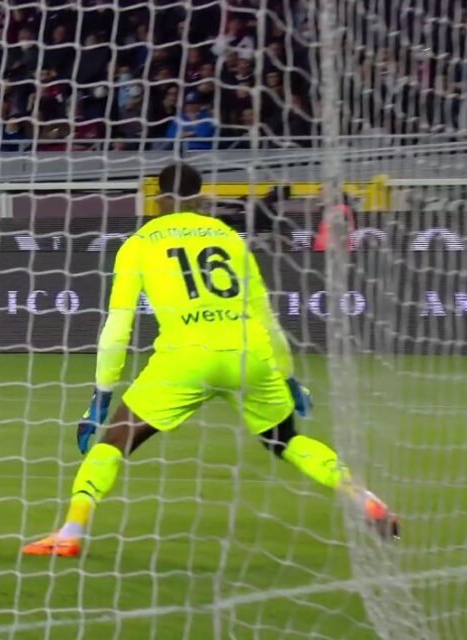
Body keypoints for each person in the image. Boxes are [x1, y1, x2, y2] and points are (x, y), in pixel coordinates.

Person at [22, 163, 400, 558]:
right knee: (287, 440)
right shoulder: (228, 237)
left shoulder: (140, 242)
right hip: (248, 353)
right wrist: (288, 378)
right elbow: (266, 316)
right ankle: (364, 499)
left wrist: (101, 394)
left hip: (187, 356)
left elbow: (118, 325)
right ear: (201, 198)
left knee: (115, 441)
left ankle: (70, 532)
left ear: (158, 199)